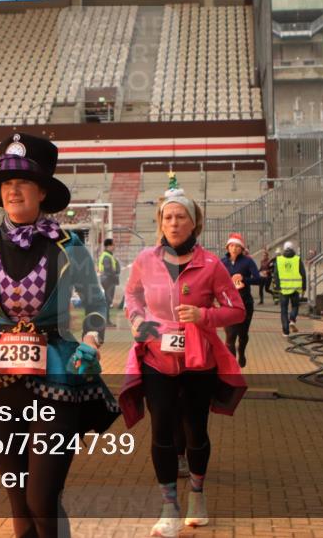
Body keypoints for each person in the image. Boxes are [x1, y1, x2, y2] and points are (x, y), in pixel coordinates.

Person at [0, 133, 119, 538]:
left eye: (23, 182)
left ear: (42, 191)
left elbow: (96, 304)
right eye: (7, 182)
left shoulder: (69, 246)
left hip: (57, 376)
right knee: (20, 506)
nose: (13, 190)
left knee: (42, 498)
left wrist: (92, 341)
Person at [119, 177, 246, 536]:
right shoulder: (145, 260)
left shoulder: (212, 265)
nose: (173, 223)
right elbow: (132, 297)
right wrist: (138, 321)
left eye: (181, 217)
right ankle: (168, 507)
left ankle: (197, 496)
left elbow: (236, 310)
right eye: (168, 217)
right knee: (161, 429)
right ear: (160, 223)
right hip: (156, 357)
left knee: (195, 430)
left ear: (194, 223)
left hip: (198, 360)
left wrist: (204, 316)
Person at [220, 232, 260, 368]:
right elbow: (215, 280)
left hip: (245, 303)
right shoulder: (222, 262)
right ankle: (233, 367)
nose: (234, 248)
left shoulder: (248, 261)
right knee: (230, 337)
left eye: (237, 246)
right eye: (231, 245)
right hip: (228, 304)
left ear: (242, 248)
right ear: (227, 247)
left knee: (243, 335)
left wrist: (244, 279)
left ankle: (241, 352)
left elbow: (258, 279)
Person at [272, 240, 307, 338]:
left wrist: (277, 287)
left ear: (284, 249)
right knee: (295, 306)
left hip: (283, 289)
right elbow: (303, 274)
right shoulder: (297, 259)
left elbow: (276, 274)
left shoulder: (279, 260)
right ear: (293, 248)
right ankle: (292, 320)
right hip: (295, 288)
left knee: (284, 310)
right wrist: (304, 287)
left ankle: (285, 332)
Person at [97, 238, 121, 325]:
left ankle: (105, 320)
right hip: (108, 280)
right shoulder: (107, 256)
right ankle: (106, 321)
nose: (115, 246)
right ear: (108, 246)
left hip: (107, 279)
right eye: (113, 245)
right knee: (108, 301)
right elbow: (109, 270)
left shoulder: (108, 255)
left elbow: (115, 267)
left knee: (108, 301)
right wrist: (116, 274)